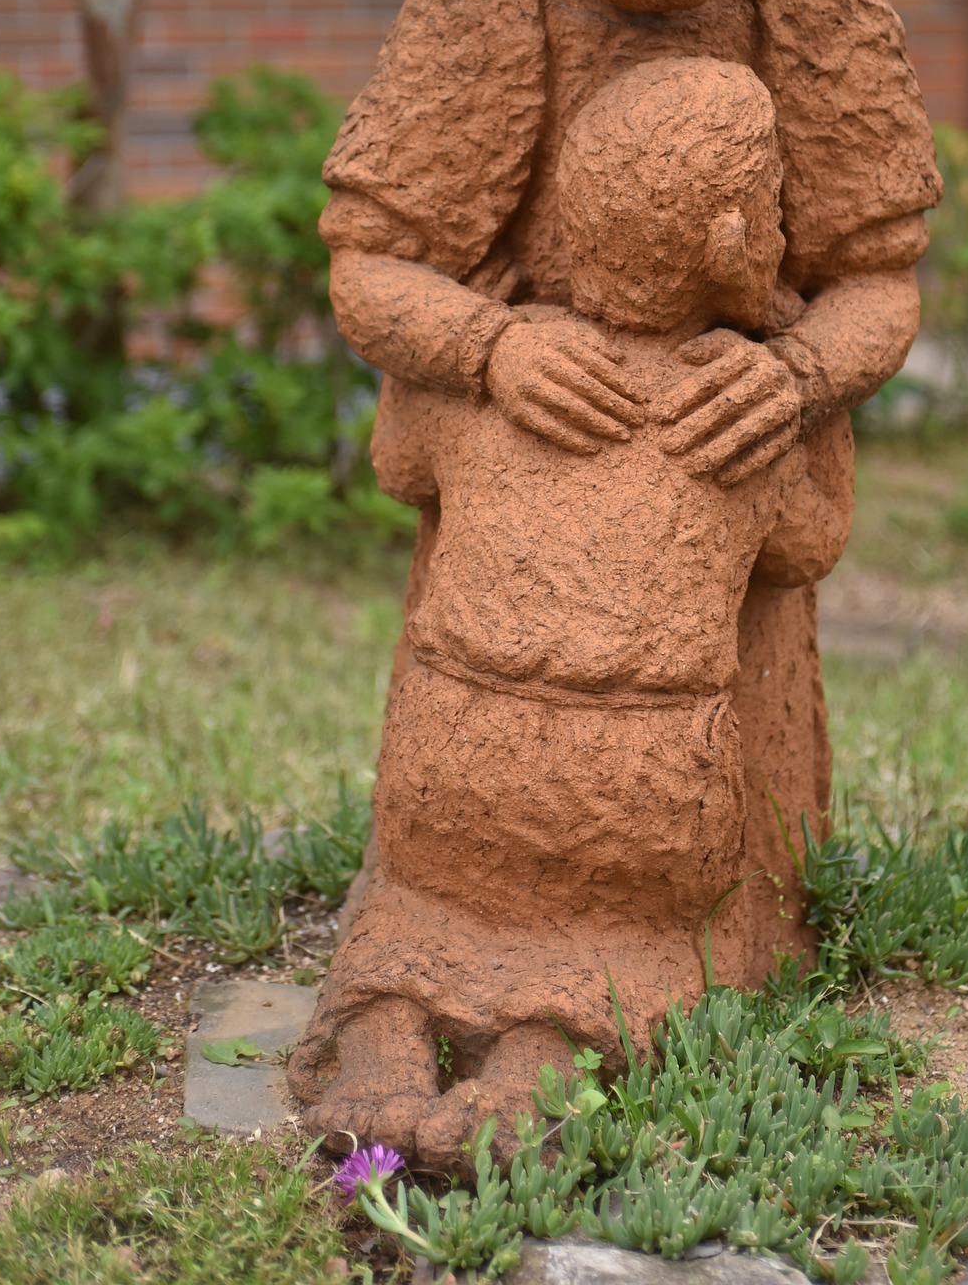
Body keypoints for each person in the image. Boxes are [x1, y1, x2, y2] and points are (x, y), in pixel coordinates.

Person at [319, 0, 941, 967]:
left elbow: (879, 282)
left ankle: (732, 921)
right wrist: (491, 351)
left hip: (725, 465)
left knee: (727, 815)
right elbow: (370, 266)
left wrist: (794, 377)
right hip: (525, 465)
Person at [287, 58, 850, 1170]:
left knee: (428, 902)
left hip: (456, 749)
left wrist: (480, 337)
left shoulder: (496, 380)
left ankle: (382, 1045)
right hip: (641, 774)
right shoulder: (733, 413)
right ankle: (535, 1071)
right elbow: (808, 544)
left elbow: (399, 464)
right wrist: (802, 390)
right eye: (774, 210)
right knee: (628, 937)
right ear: (734, 240)